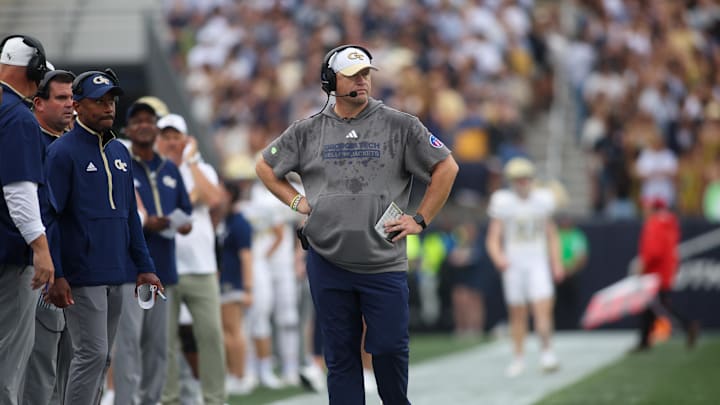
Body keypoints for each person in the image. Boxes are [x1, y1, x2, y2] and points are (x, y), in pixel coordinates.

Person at [256, 44, 459, 405]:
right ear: (331, 81)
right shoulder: (307, 130)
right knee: (339, 355)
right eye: (353, 75)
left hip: (383, 261)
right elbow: (265, 167)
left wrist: (420, 218)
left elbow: (446, 166)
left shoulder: (401, 125)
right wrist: (297, 201)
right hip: (327, 260)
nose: (363, 81)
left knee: (390, 348)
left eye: (366, 73)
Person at [44, 69, 163, 404]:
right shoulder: (62, 152)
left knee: (102, 357)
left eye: (111, 100)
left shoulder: (120, 153)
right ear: (78, 106)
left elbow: (129, 216)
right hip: (81, 274)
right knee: (91, 355)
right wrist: (59, 274)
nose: (108, 107)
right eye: (99, 101)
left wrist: (144, 265)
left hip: (118, 272)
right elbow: (49, 216)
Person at [109, 98, 193, 405]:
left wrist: (178, 223)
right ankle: (125, 400)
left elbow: (186, 209)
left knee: (159, 345)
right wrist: (148, 223)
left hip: (164, 268)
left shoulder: (169, 168)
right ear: (128, 129)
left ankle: (151, 400)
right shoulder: (120, 164)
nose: (144, 125)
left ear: (156, 128)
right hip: (130, 270)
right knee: (129, 342)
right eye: (138, 121)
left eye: (149, 120)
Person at [156, 113, 227, 405]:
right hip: (165, 266)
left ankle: (215, 399)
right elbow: (168, 206)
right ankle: (169, 399)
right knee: (165, 341)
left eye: (176, 136)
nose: (172, 142)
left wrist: (193, 162)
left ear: (186, 139)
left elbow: (214, 199)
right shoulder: (153, 170)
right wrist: (190, 196)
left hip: (201, 265)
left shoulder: (202, 168)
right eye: (166, 136)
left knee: (211, 336)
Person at [0, 34, 54, 405]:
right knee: (9, 362)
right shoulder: (17, 116)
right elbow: (18, 190)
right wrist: (41, 247)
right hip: (8, 255)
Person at [21, 67, 76, 405]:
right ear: (38, 103)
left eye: (72, 97)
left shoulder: (71, 144)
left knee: (71, 366)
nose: (71, 105)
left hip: (74, 271)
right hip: (42, 269)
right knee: (41, 367)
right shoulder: (27, 142)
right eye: (62, 98)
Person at [485, 157, 564, 378]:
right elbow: (493, 237)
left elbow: (552, 235)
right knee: (517, 313)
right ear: (511, 181)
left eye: (526, 178)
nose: (523, 183)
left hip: (537, 260)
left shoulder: (542, 200)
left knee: (542, 309)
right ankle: (518, 357)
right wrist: (498, 257)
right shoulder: (503, 201)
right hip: (515, 263)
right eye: (519, 179)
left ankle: (547, 352)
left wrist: (556, 263)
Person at [634, 198, 699, 351]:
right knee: (649, 307)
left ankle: (687, 326)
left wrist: (642, 266)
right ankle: (644, 341)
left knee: (660, 307)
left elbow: (653, 252)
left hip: (654, 274)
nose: (644, 210)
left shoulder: (654, 224)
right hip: (665, 271)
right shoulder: (669, 224)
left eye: (647, 207)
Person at [217, 178, 254, 395]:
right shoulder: (223, 219)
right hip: (222, 280)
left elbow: (246, 257)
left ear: (229, 195)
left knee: (233, 330)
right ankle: (233, 373)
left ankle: (239, 376)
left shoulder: (239, 222)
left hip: (234, 282)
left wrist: (248, 288)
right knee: (225, 331)